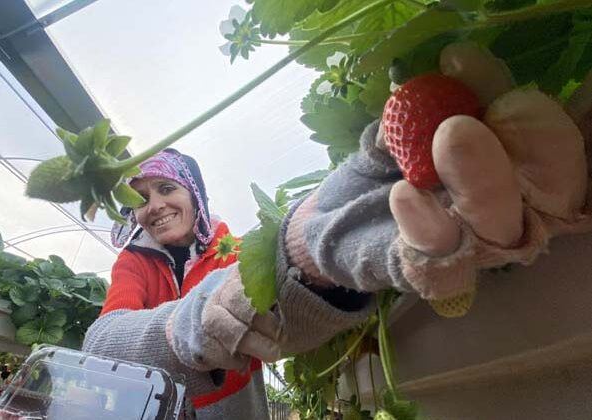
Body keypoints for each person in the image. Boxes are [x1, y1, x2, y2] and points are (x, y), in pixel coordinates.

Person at [83, 88, 592, 417]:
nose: (153, 207)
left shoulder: (233, 247)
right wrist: (205, 320)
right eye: (139, 199)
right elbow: (102, 343)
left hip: (235, 410)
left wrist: (308, 264)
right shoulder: (135, 262)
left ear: (193, 192)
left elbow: (282, 323)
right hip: (151, 410)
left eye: (165, 190)